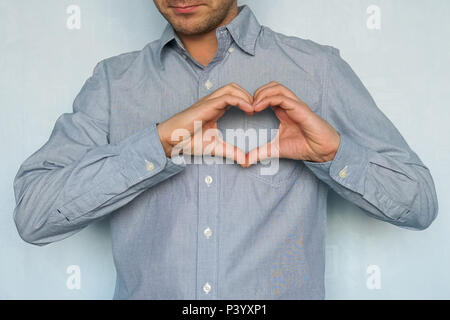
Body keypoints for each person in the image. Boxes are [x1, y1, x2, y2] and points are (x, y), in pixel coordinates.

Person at [12, 1, 438, 300]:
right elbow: (34, 217)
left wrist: (333, 156)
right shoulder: (113, 83)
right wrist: (157, 143)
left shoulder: (317, 71)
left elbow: (417, 202)